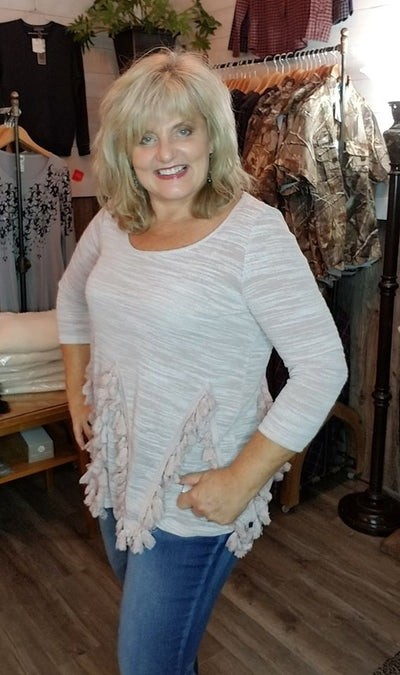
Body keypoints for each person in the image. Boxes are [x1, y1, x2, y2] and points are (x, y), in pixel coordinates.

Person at [56, 49, 347, 675]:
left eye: (183, 129)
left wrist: (242, 479)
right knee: (166, 654)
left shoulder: (254, 234)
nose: (166, 152)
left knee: (145, 662)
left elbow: (323, 367)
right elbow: (72, 297)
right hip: (119, 467)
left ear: (212, 135)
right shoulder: (114, 222)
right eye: (145, 137)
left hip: (197, 488)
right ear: (125, 151)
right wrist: (76, 390)